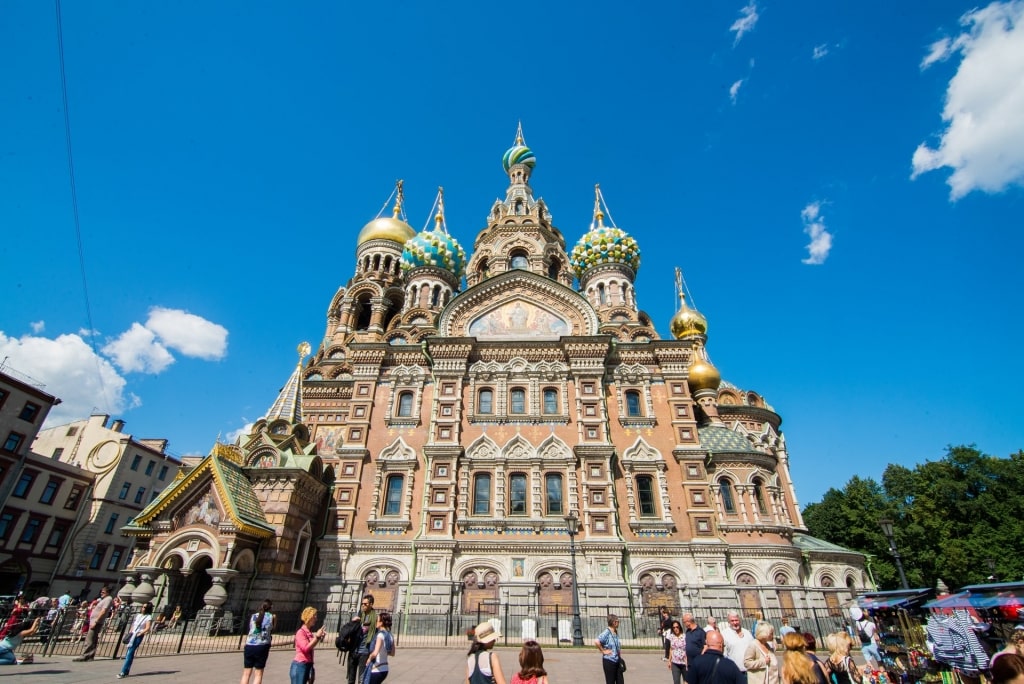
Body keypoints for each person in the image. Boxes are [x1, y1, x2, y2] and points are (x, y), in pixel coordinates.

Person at [74, 585, 113, 661]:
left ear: (108, 592)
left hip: (96, 622)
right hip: (94, 621)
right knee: (93, 639)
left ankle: (85, 655)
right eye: (101, 592)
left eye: (103, 592)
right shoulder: (104, 599)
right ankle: (90, 655)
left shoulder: (108, 599)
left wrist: (96, 621)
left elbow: (103, 611)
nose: (101, 593)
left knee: (89, 639)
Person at [241, 599, 275, 684]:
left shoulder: (253, 616)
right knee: (258, 674)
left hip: (249, 645)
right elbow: (272, 628)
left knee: (246, 673)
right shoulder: (272, 616)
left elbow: (251, 628)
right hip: (262, 646)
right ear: (271, 607)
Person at [291, 606, 327, 684]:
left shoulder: (308, 632)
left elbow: (312, 645)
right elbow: (306, 648)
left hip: (308, 664)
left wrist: (319, 637)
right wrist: (317, 637)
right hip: (300, 665)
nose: (316, 619)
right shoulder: (300, 632)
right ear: (309, 617)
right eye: (314, 617)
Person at [118, 601, 153, 678]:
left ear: (147, 609)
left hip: (138, 635)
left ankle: (123, 672)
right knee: (129, 653)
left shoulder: (148, 617)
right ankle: (126, 671)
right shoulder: (138, 615)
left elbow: (147, 627)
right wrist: (131, 631)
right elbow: (134, 624)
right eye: (142, 607)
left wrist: (141, 633)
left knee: (130, 652)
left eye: (144, 607)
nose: (142, 608)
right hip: (133, 634)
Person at [348, 594, 378, 684]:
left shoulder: (374, 619)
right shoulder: (359, 616)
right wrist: (352, 622)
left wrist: (372, 653)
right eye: (362, 604)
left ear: (371, 604)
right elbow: (350, 632)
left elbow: (376, 636)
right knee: (350, 679)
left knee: (362, 680)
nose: (363, 605)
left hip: (364, 652)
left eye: (365, 604)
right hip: (353, 651)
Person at [722, 610, 755, 678]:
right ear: (728, 622)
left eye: (736, 620)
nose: (735, 623)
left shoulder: (747, 633)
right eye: (732, 621)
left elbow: (754, 648)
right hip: (734, 672)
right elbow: (723, 655)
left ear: (739, 620)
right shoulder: (724, 634)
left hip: (750, 671)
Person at [365, 612, 395, 684]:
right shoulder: (390, 635)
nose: (376, 622)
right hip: (385, 669)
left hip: (377, 669)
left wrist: (369, 658)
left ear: (381, 623)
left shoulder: (380, 635)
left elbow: (375, 653)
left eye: (377, 621)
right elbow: (392, 653)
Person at [595, 614, 624, 684]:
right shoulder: (607, 632)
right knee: (610, 682)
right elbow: (597, 641)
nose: (619, 623)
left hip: (617, 660)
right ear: (614, 622)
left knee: (620, 681)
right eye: (618, 621)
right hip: (609, 661)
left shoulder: (615, 631)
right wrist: (603, 651)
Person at [668, 620, 688, 684]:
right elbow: (671, 649)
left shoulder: (685, 636)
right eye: (674, 628)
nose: (676, 629)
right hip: (675, 663)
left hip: (684, 663)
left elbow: (688, 649)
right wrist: (669, 660)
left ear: (680, 627)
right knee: (676, 681)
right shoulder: (671, 636)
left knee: (686, 681)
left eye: (677, 627)